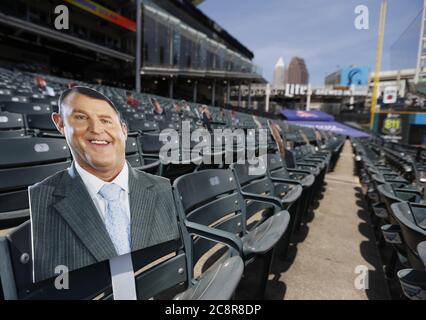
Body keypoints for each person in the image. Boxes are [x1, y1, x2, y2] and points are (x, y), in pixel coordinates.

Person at [29, 86, 180, 283]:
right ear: (60, 123)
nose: (97, 129)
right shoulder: (42, 198)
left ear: (124, 130)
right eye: (81, 118)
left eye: (106, 120)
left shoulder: (162, 188)